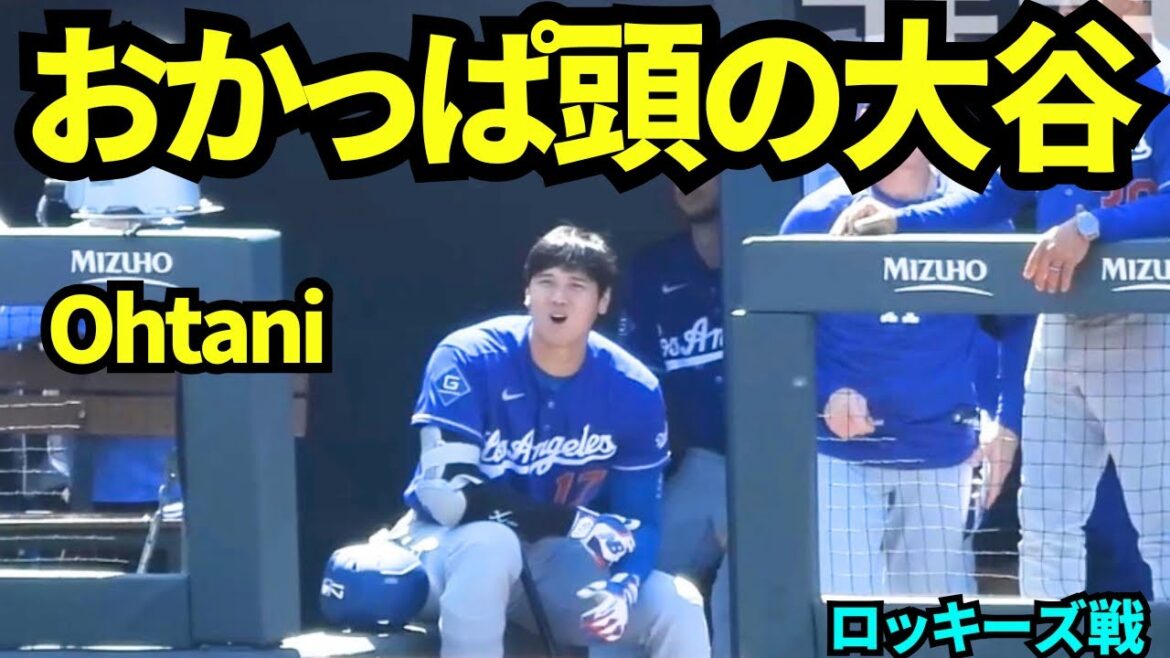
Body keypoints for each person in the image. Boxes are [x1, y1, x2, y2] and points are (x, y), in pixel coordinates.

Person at [832, 0, 1170, 600]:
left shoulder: (1162, 80)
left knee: (1161, 530)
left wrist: (1092, 227)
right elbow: (991, 199)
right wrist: (900, 222)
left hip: (1141, 325)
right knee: (1044, 527)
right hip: (1060, 324)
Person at [379, 225, 710, 658]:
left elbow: (639, 521)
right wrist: (573, 523)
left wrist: (623, 586)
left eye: (577, 286)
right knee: (490, 544)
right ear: (527, 294)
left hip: (550, 561)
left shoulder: (633, 386)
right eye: (546, 282)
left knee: (678, 604)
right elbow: (447, 498)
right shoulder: (469, 356)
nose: (559, 298)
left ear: (603, 301)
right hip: (444, 550)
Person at [780, 146, 1031, 597]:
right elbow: (777, 337)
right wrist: (825, 392)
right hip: (841, 454)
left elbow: (1019, 326)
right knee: (850, 614)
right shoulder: (816, 216)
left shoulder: (978, 215)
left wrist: (1005, 422)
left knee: (934, 622)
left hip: (941, 452)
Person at [617, 176, 730, 657]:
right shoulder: (653, 270)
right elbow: (635, 394)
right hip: (703, 464)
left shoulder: (774, 256)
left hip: (785, 464)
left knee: (746, 595)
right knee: (627, 581)